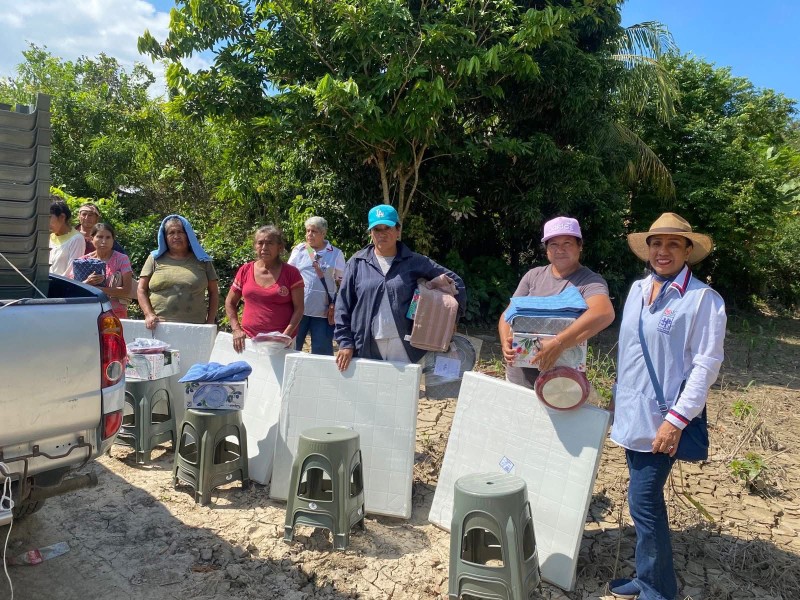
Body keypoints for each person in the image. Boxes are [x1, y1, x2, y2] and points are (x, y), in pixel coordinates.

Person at [608, 213, 726, 600]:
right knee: (644, 500)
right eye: (656, 243)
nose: (663, 251)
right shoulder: (638, 289)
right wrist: (617, 400)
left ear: (688, 251)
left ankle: (658, 590)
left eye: (674, 244)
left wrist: (675, 421)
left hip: (664, 420)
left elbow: (705, 366)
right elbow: (629, 352)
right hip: (632, 412)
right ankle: (647, 578)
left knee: (643, 502)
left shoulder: (702, 300)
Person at [334, 204, 466, 371]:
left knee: (402, 387)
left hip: (405, 345)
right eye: (377, 229)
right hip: (365, 343)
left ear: (398, 230)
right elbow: (342, 305)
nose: (382, 234)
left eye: (387, 228)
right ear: (370, 233)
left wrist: (452, 318)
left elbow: (456, 282)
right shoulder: (357, 263)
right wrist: (345, 342)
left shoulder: (414, 261)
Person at [498, 216, 615, 388]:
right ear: (546, 249)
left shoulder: (590, 281)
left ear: (580, 246)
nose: (560, 249)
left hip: (562, 383)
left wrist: (559, 344)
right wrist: (505, 342)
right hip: (518, 377)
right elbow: (507, 315)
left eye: (567, 243)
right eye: (553, 244)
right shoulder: (533, 276)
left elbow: (604, 312)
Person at [226, 226, 305, 354]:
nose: (264, 247)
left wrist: (285, 337)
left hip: (282, 343)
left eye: (269, 243)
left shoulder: (291, 273)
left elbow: (299, 308)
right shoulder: (245, 270)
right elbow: (230, 302)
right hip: (248, 340)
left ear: (280, 247)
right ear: (255, 246)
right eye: (260, 243)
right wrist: (236, 329)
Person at [138, 215, 220, 330]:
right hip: (158, 326)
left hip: (195, 327)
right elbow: (141, 289)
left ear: (188, 235)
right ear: (165, 237)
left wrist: (210, 321)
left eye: (180, 232)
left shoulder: (203, 260)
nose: (176, 236)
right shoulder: (154, 259)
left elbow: (214, 292)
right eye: (171, 233)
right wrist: (148, 314)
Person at [288, 216, 346, 355]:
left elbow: (343, 282)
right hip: (298, 311)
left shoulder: (336, 253)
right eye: (307, 231)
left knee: (322, 354)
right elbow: (287, 275)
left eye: (313, 231)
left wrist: (337, 305)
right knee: (292, 350)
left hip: (323, 313)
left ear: (323, 233)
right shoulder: (300, 250)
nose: (309, 234)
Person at [70, 223, 133, 318]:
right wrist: (87, 283)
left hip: (115, 313)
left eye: (108, 237)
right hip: (89, 312)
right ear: (92, 239)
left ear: (113, 240)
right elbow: (73, 289)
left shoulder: (121, 259)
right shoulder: (82, 261)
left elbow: (127, 290)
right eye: (99, 237)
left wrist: (98, 289)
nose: (104, 241)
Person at [49, 200, 86, 276]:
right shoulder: (50, 236)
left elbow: (71, 272)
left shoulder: (77, 239)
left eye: (48, 217)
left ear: (62, 217)